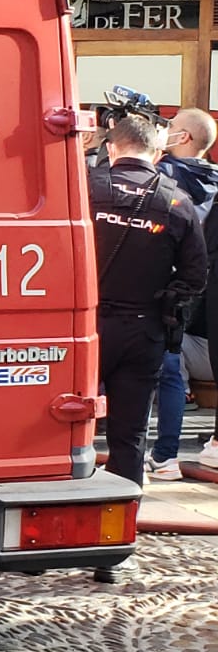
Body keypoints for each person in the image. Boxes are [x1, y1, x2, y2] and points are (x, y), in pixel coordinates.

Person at [89, 115, 207, 582]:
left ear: (111, 147)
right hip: (143, 330)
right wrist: (165, 303)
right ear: (156, 153)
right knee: (129, 437)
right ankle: (112, 552)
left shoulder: (84, 187)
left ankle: (43, 534)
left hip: (83, 325)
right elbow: (196, 276)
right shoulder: (177, 202)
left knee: (60, 426)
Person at [148, 108, 218, 480]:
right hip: (190, 291)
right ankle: (167, 454)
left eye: (171, 128)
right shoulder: (214, 181)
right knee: (171, 364)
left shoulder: (165, 177)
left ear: (184, 138)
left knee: (160, 366)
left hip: (159, 286)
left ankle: (159, 452)